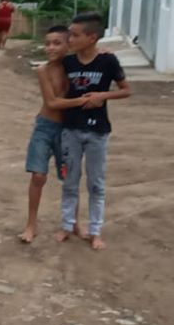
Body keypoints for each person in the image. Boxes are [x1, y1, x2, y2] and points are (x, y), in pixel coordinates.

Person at [55, 13, 131, 251]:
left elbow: (126, 90)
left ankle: (95, 230)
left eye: (75, 35)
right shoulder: (68, 63)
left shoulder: (108, 61)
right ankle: (68, 224)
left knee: (96, 183)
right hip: (71, 129)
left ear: (92, 37)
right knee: (70, 180)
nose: (70, 39)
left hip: (97, 131)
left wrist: (103, 95)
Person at [18, 26, 89, 243]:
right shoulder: (43, 70)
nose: (50, 48)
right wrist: (84, 101)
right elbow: (52, 102)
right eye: (47, 43)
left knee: (70, 178)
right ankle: (31, 224)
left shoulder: (75, 68)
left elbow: (94, 57)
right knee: (38, 175)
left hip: (67, 129)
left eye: (57, 43)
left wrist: (103, 51)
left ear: (69, 45)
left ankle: (73, 222)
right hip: (45, 126)